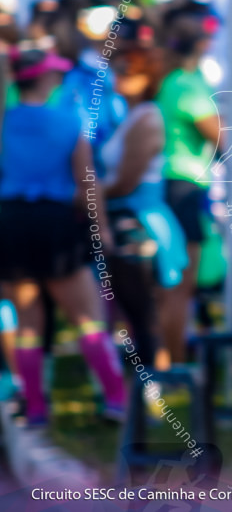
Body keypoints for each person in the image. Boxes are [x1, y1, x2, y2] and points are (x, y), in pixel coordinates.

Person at [0, 42, 125, 424]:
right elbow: (87, 181)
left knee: (28, 320)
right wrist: (101, 228)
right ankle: (117, 400)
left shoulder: (5, 121)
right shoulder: (69, 121)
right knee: (87, 316)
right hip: (56, 223)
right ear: (44, 79)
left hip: (11, 222)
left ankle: (36, 407)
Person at [101, 19, 187, 368]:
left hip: (139, 224)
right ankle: (150, 382)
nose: (118, 74)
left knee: (143, 311)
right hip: (130, 219)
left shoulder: (146, 118)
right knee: (136, 310)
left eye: (127, 69)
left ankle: (153, 382)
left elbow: (125, 182)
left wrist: (84, 196)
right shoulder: (132, 115)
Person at [154, 6, 221, 367]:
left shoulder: (177, 80)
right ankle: (175, 368)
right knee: (180, 285)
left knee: (174, 285)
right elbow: (221, 136)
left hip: (177, 186)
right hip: (183, 187)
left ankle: (167, 363)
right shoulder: (185, 82)